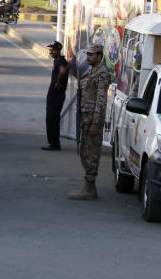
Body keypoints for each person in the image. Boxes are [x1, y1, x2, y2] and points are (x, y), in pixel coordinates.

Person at [69, 43, 110, 200]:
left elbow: (101, 100)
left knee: (91, 153)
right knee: (85, 151)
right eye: (88, 54)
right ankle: (88, 185)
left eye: (92, 55)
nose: (89, 57)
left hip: (93, 120)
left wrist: (95, 123)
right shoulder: (92, 71)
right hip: (86, 119)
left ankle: (90, 187)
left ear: (99, 56)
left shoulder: (102, 73)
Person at [42, 41, 69, 151]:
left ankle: (54, 143)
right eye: (50, 50)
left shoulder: (60, 60)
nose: (51, 51)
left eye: (53, 49)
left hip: (56, 94)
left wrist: (58, 82)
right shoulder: (58, 60)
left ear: (58, 50)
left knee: (52, 118)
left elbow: (62, 71)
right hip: (54, 94)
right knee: (51, 118)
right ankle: (53, 142)